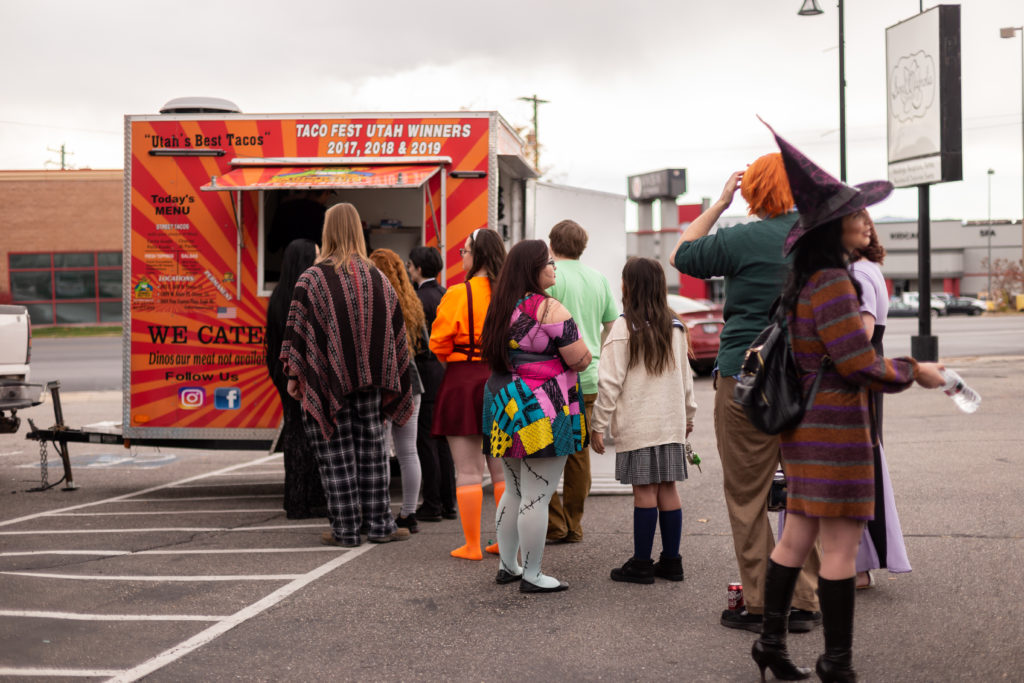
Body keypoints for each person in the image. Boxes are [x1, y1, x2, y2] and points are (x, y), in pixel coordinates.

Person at [749, 122, 945, 683]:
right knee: (837, 545)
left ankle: (771, 645)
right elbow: (857, 362)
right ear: (835, 225)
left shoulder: (805, 282)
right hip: (835, 427)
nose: (866, 221)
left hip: (804, 425)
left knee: (796, 536)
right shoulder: (836, 283)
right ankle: (837, 663)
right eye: (857, 213)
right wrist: (915, 371)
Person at [670, 152, 823, 633]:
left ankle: (760, 602)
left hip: (745, 375)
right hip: (807, 378)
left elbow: (683, 253)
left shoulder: (740, 239)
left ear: (754, 190)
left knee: (748, 495)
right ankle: (805, 600)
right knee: (805, 493)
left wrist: (719, 203)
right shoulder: (821, 238)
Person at [280, 203, 414, 547]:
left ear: (327, 231)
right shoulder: (378, 278)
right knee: (373, 453)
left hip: (326, 383)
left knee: (335, 457)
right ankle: (381, 525)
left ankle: (346, 530)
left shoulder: (311, 278)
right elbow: (394, 335)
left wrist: (295, 376)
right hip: (372, 383)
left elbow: (297, 333)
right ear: (358, 230)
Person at [479, 240, 592, 593]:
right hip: (544, 406)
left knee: (513, 490)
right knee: (537, 495)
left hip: (503, 403)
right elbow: (580, 358)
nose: (554, 267)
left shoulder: (500, 305)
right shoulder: (548, 308)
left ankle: (508, 566)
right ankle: (532, 574)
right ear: (533, 269)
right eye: (549, 263)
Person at [590, 257, 697, 584]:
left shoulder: (624, 328)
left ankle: (641, 563)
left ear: (628, 286)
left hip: (640, 426)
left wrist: (598, 424)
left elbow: (609, 383)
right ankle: (671, 561)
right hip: (670, 423)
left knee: (645, 492)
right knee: (668, 488)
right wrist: (688, 416)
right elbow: (686, 379)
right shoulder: (675, 326)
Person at [429, 228, 507, 560]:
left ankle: (472, 545)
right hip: (502, 380)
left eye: (464, 250)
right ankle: (505, 541)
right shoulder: (511, 294)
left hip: (462, 381)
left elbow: (438, 343)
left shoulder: (457, 294)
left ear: (477, 255)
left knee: (468, 470)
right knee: (502, 471)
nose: (461, 256)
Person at [543, 220, 619, 544]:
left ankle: (555, 523)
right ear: (582, 246)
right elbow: (612, 328)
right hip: (589, 377)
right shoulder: (598, 279)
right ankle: (574, 525)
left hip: (552, 378)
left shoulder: (549, 277)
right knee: (578, 455)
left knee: (544, 450)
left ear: (552, 243)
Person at [849, 214, 912, 589]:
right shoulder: (868, 267)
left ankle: (858, 564)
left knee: (858, 465)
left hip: (858, 374)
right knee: (867, 460)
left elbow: (863, 330)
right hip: (870, 369)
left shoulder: (856, 272)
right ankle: (859, 563)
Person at [264, 238, 327, 519]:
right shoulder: (304, 295)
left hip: (282, 370)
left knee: (293, 434)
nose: (318, 261)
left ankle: (294, 498)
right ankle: (309, 498)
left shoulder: (279, 295)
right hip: (300, 371)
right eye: (315, 256)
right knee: (309, 435)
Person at [369, 248, 427, 534]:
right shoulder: (411, 302)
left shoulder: (374, 300)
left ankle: (377, 512)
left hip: (381, 382)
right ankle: (408, 514)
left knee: (379, 450)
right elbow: (425, 346)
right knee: (407, 451)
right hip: (411, 380)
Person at [407, 246, 457, 522]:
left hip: (426, 373)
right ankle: (449, 501)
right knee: (445, 443)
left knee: (426, 440)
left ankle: (433, 503)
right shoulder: (445, 294)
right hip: (446, 374)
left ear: (417, 268)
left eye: (410, 265)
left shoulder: (417, 299)